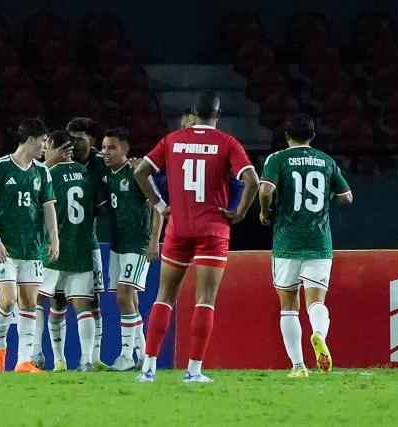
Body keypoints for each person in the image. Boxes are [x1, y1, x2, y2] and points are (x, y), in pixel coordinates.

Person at [133, 90, 259, 383]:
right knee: (205, 300)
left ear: (192, 113)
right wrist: (239, 211)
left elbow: (140, 172)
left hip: (179, 227)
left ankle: (148, 368)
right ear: (218, 116)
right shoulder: (227, 143)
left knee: (164, 296)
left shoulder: (173, 139)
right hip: (213, 229)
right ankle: (193, 371)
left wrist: (162, 207)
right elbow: (251, 180)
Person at [258, 113, 352, 378]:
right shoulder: (326, 161)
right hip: (319, 240)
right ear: (313, 136)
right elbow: (347, 197)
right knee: (316, 300)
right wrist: (327, 195)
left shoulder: (277, 159)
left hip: (287, 240)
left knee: (288, 305)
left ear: (287, 136)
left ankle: (298, 367)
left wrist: (265, 212)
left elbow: (265, 190)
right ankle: (319, 334)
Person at [0, 118, 59, 373]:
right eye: (45, 141)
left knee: (29, 302)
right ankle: (0, 346)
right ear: (32, 139)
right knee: (7, 300)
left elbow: (48, 208)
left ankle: (23, 361)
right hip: (6, 248)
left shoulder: (42, 172)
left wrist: (54, 238)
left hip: (32, 248)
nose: (46, 146)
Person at [33, 117, 110, 371]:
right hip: (82, 248)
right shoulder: (87, 173)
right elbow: (101, 207)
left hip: (54, 249)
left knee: (40, 301)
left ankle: (47, 357)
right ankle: (87, 360)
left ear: (56, 148)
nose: (45, 150)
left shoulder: (47, 174)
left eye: (48, 146)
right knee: (82, 305)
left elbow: (34, 208)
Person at [101, 128, 163, 371]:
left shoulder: (138, 173)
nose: (106, 152)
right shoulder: (108, 174)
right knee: (130, 300)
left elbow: (159, 208)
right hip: (118, 244)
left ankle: (126, 356)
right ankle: (143, 355)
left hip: (137, 243)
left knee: (124, 296)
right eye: (104, 147)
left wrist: (154, 241)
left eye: (112, 147)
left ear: (125, 149)